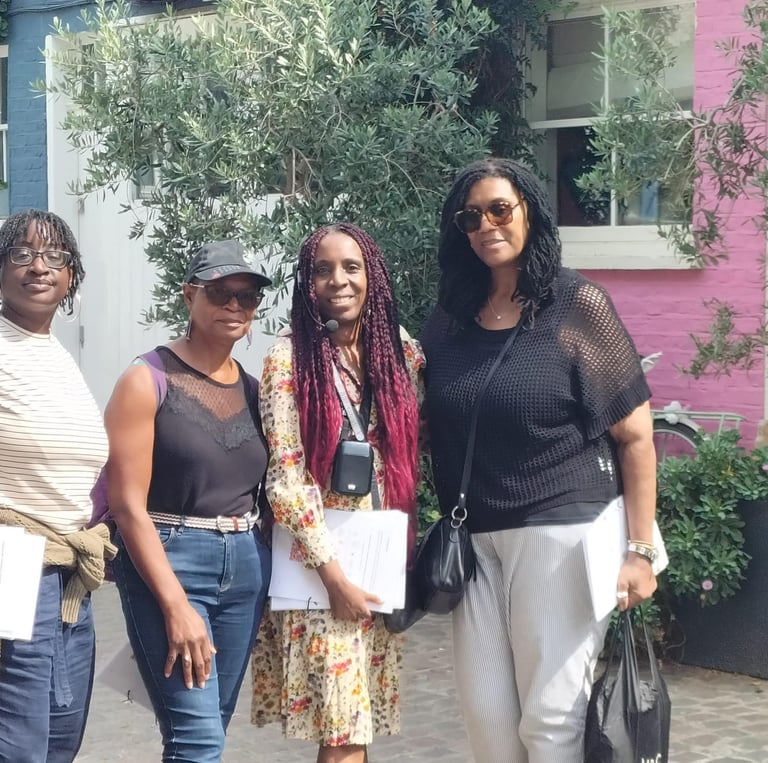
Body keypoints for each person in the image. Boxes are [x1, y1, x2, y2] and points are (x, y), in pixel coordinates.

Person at [420, 158, 658, 763]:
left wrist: (640, 552)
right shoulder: (448, 321)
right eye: (470, 216)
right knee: (490, 726)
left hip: (562, 533)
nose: (485, 225)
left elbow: (635, 437)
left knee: (550, 723)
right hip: (473, 543)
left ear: (530, 211)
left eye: (500, 209)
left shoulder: (577, 306)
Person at [250, 223, 424, 763]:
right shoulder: (289, 359)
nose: (338, 280)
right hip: (321, 566)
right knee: (343, 728)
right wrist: (334, 578)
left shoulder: (402, 354)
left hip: (379, 560)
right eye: (323, 270)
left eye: (351, 267)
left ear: (372, 276)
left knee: (357, 723)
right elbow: (286, 478)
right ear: (307, 284)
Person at [106, 240, 272, 763]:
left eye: (247, 298)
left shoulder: (254, 389)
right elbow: (128, 505)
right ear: (188, 295)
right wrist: (175, 604)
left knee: (210, 733)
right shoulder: (147, 379)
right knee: (196, 741)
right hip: (172, 561)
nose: (234, 306)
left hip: (246, 567)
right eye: (220, 292)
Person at [0, 210, 115, 763]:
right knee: (19, 743)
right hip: (12, 563)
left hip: (69, 570)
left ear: (71, 275)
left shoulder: (58, 355)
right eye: (20, 254)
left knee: (60, 737)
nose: (38, 267)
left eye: (54, 257)